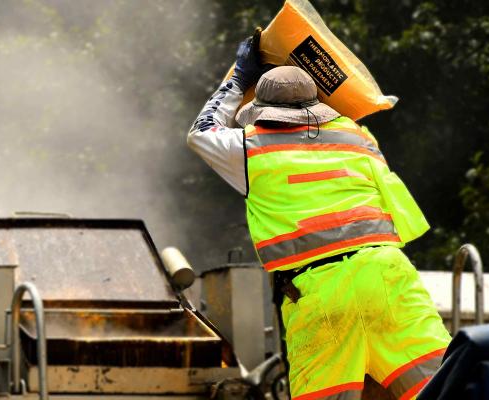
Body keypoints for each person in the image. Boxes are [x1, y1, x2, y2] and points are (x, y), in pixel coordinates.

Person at [187, 32, 451, 400]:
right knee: (446, 389)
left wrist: (238, 78)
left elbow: (200, 133)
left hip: (318, 293)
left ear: (262, 110)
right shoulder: (357, 136)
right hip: (388, 277)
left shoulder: (248, 149)